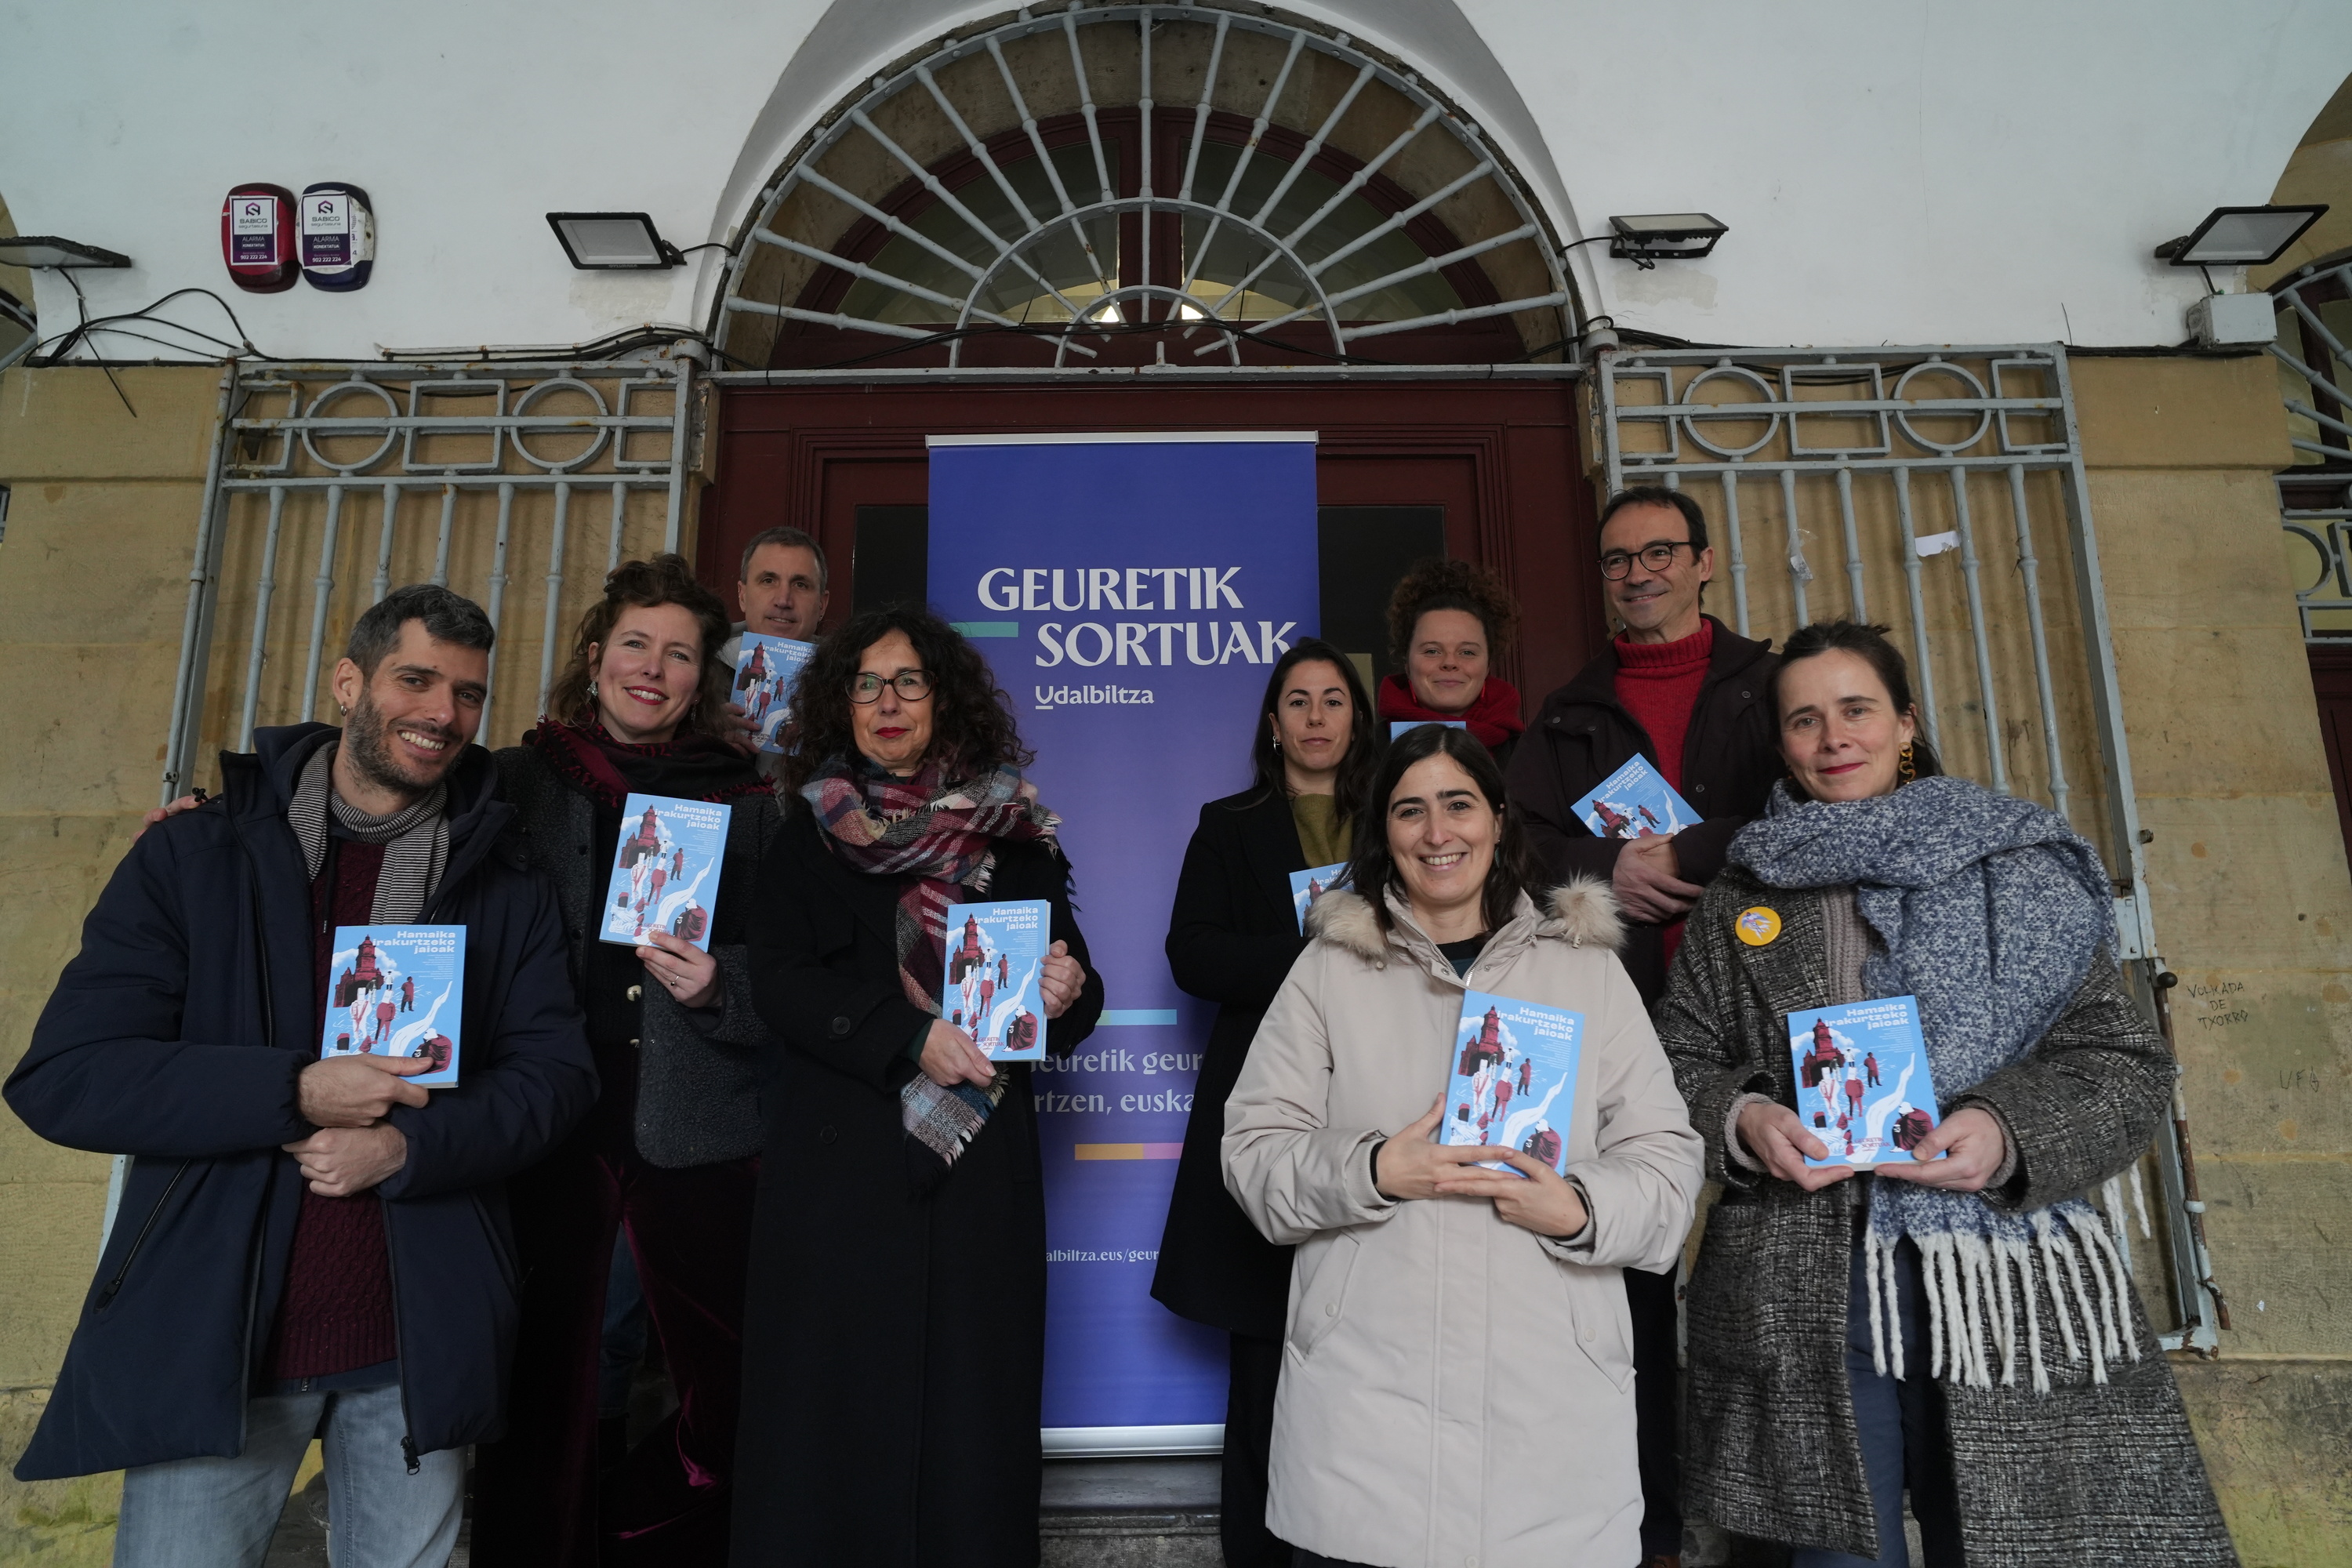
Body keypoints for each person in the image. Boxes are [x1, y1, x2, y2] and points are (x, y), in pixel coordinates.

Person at [5, 586, 596, 1568]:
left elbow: (555, 1080)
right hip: (220, 1341)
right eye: (417, 678)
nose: (442, 713)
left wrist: (409, 1145)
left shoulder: (505, 882)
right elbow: (67, 1075)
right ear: (349, 681)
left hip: (416, 1342)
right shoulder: (196, 855)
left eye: (467, 693)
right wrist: (294, 1090)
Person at [1656, 621, 2235, 1567]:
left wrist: (2005, 1127)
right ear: (1782, 742)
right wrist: (1744, 1114)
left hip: (1999, 1270)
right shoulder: (1742, 887)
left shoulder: (2018, 861)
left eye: (1856, 710)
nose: (1833, 737)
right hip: (1802, 1278)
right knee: (1828, 1554)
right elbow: (1676, 1056)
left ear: (1906, 723)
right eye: (1804, 720)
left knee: (2023, 1539)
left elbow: (2121, 1059)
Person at [1221, 724, 1703, 1568]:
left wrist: (1580, 1205)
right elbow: (1253, 1152)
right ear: (1384, 832)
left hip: (1549, 1430)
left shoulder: (1584, 969)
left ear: (1499, 816)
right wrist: (1371, 1167)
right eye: (1410, 810)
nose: (1437, 832)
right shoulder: (1329, 969)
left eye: (1458, 804)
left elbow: (1667, 1159)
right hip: (1364, 1428)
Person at [735, 606, 1105, 1564]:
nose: (887, 702)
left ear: (944, 700)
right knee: (828, 1428)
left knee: (971, 1427)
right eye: (866, 682)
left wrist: (1065, 989)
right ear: (840, 702)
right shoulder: (804, 832)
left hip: (975, 1174)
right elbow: (777, 979)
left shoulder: (1017, 834)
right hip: (840, 1176)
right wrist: (909, 1035)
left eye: (909, 682)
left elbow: (1074, 988)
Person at [472, 554, 779, 1566]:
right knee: (554, 1379)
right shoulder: (512, 783)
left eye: (679, 653)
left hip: (702, 1127)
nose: (653, 668)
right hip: (552, 1124)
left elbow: (800, 966)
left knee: (727, 1388)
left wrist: (721, 983)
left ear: (704, 678)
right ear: (597, 655)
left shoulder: (750, 802)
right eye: (637, 644)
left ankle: (645, 1541)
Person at [1504, 484, 1784, 1567]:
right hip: (1623, 1023)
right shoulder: (1572, 711)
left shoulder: (1773, 687)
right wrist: (1605, 866)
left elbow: (1833, 798)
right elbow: (1517, 839)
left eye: (1660, 552)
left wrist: (1689, 853)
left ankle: (1767, 1524)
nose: (1640, 573)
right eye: (1619, 560)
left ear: (1705, 563)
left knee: (1766, 1280)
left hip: (1763, 1021)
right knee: (1628, 1285)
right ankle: (1649, 1531)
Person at [1151, 637, 1379, 1568]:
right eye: (1299, 700)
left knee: (1369, 1360)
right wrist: (1321, 954)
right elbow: (1192, 953)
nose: (1317, 716)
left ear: (1357, 718)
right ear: (1273, 722)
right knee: (1262, 1372)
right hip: (1268, 1103)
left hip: (1379, 1099)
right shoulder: (1228, 821)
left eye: (1334, 699)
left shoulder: (1396, 815)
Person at [1374, 557, 1526, 766]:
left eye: (1467, 652)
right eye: (1432, 651)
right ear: (1406, 664)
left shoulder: (1529, 753)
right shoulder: (1363, 752)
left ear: (1488, 665)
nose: (1450, 663)